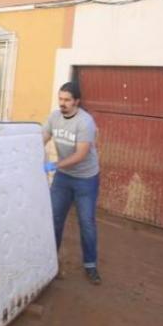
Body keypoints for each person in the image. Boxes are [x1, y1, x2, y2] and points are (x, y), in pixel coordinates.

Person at [42, 81, 102, 285]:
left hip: (86, 179)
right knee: (54, 219)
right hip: (63, 178)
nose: (63, 103)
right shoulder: (54, 117)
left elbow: (81, 154)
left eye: (67, 100)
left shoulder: (85, 122)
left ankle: (90, 265)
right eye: (60, 99)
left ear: (77, 101)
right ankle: (50, 261)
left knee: (86, 222)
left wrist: (55, 165)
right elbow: (42, 137)